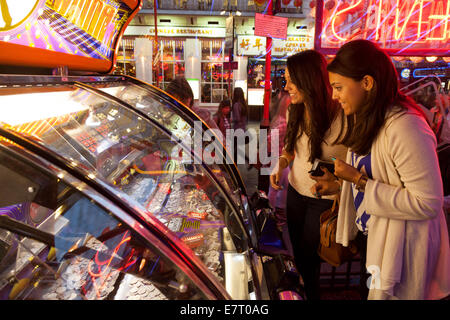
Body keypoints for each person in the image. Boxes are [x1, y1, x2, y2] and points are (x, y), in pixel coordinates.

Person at [310, 40, 450, 300]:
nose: (333, 96)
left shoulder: (406, 127)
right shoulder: (370, 119)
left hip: (402, 249)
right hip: (377, 238)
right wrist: (342, 186)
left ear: (367, 83)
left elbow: (428, 202)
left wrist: (359, 180)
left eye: (339, 87)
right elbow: (383, 177)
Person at [269, 50, 347, 300]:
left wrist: (338, 183)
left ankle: (308, 295)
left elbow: (358, 163)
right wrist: (280, 165)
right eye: (286, 78)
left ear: (310, 79)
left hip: (322, 201)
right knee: (300, 255)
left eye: (292, 79)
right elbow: (290, 149)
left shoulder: (343, 116)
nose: (287, 86)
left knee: (308, 257)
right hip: (295, 192)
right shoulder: (295, 110)